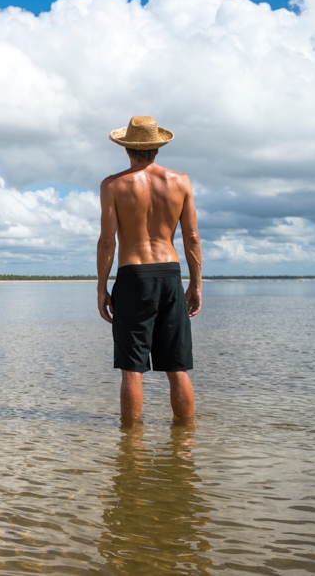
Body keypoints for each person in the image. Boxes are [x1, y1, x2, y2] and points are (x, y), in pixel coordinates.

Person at [96, 115, 202, 425]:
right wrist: (196, 284)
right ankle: (184, 445)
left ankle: (131, 449)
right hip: (170, 275)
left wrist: (102, 287)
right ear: (157, 148)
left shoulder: (113, 185)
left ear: (126, 148)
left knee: (132, 368)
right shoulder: (180, 181)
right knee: (177, 366)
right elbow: (192, 237)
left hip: (134, 277)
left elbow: (107, 242)